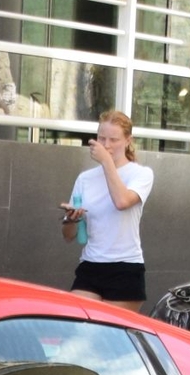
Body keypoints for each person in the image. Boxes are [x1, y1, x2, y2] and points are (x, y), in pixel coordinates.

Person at [60, 109, 154, 305]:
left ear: (128, 140)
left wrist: (106, 162)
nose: (106, 145)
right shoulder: (85, 178)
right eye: (101, 139)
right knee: (77, 323)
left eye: (113, 140)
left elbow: (122, 201)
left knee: (114, 333)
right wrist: (71, 218)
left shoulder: (141, 174)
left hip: (125, 267)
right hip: (91, 264)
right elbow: (69, 236)